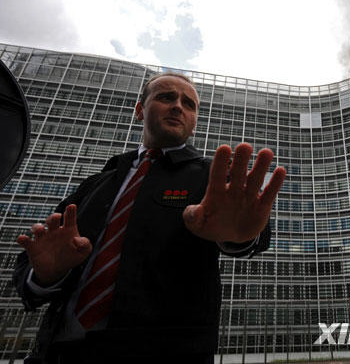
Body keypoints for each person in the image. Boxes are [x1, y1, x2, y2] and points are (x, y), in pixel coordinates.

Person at [12, 72, 286, 363]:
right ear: (139, 110)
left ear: (193, 124)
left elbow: (249, 230)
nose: (178, 106)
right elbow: (37, 258)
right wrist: (45, 276)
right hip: (58, 352)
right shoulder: (96, 183)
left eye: (189, 104)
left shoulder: (213, 175)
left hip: (166, 353)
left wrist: (239, 236)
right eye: (166, 97)